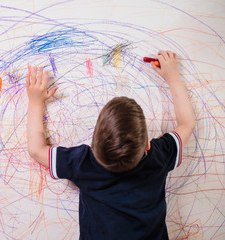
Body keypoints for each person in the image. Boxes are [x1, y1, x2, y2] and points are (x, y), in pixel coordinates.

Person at [26, 50, 196, 239]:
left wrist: (35, 103)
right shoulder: (158, 158)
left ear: (94, 145)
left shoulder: (84, 163)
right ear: (147, 145)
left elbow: (36, 150)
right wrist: (173, 77)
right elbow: (187, 124)